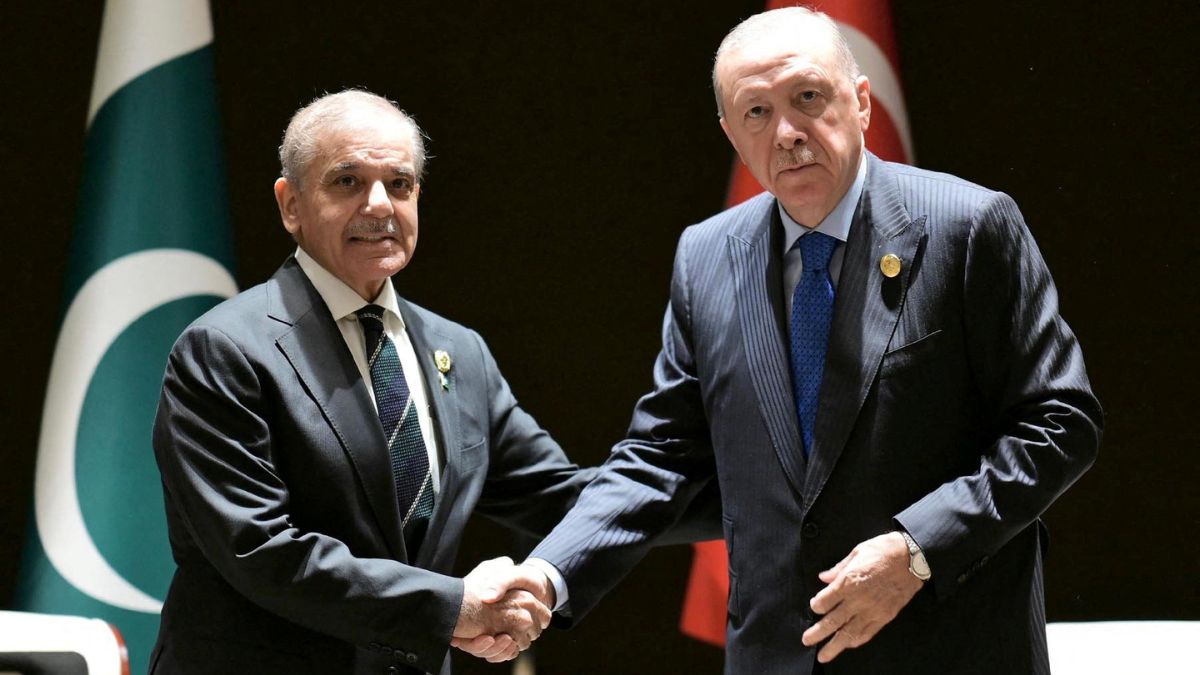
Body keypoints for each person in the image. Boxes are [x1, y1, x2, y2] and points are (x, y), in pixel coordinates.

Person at [470, 7, 1102, 674]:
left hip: (949, 646)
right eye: (757, 113)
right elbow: (660, 457)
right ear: (731, 134)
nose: (788, 133)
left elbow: (1060, 423)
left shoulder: (968, 228)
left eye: (807, 97)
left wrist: (919, 549)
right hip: (776, 655)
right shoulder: (707, 255)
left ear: (859, 101)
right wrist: (547, 573)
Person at [150, 89, 593, 674]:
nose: (380, 205)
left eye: (401, 184)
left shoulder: (459, 351)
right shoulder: (225, 350)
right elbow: (259, 550)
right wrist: (456, 606)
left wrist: (735, 493)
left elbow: (561, 499)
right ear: (291, 205)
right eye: (347, 181)